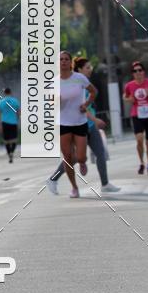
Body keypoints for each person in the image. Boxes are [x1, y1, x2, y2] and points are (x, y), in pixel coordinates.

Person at [47, 57, 120, 195]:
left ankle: (105, 184)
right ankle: (54, 179)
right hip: (77, 125)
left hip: (90, 125)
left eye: (90, 67)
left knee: (100, 153)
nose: (90, 69)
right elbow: (80, 108)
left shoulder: (84, 83)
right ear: (79, 69)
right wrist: (95, 119)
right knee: (73, 157)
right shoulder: (74, 85)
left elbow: (89, 101)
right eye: (87, 67)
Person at [57, 50, 98, 199]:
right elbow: (50, 103)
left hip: (80, 121)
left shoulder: (79, 78)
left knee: (80, 157)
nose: (63, 62)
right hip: (63, 123)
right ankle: (74, 187)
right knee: (67, 157)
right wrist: (56, 101)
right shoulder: (53, 82)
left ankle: (82, 162)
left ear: (70, 62)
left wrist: (86, 104)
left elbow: (94, 92)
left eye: (66, 59)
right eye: (61, 59)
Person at [123, 61, 148, 175]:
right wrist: (129, 99)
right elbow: (125, 96)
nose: (138, 72)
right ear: (133, 73)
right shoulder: (129, 85)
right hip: (136, 115)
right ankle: (141, 162)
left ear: (144, 72)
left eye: (139, 70)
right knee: (139, 139)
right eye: (135, 71)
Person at [0, 87, 20, 163]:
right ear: (10, 92)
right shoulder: (15, 101)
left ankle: (9, 152)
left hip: (4, 122)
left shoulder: (1, 102)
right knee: (14, 139)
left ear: (4, 93)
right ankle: (12, 151)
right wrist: (18, 119)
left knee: (6, 140)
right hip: (13, 122)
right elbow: (19, 112)